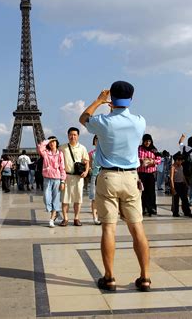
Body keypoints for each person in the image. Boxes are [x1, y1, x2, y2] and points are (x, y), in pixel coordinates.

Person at [80, 80, 151, 292]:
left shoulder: (102, 121)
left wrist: (99, 101)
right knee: (137, 227)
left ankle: (109, 277)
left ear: (111, 98)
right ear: (131, 98)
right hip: (130, 178)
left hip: (108, 177)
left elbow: (83, 118)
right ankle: (145, 277)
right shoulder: (139, 122)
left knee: (108, 228)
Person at [59, 127, 89, 226]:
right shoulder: (62, 148)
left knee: (78, 199)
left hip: (78, 178)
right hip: (66, 176)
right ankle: (65, 218)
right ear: (68, 135)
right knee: (65, 199)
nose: (73, 137)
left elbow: (86, 161)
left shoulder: (82, 148)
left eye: (75, 135)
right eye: (71, 134)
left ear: (78, 136)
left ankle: (76, 218)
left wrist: (86, 171)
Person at [37, 136, 66, 228]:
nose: (52, 143)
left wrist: (63, 181)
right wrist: (48, 140)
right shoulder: (46, 153)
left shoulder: (60, 154)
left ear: (57, 143)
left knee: (56, 199)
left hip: (57, 179)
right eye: (51, 142)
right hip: (47, 178)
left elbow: (62, 168)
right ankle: (56, 211)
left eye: (54, 141)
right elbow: (40, 147)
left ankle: (51, 219)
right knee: (46, 198)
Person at [137, 134, 161, 217]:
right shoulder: (139, 149)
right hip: (141, 173)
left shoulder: (154, 150)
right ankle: (143, 208)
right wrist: (141, 161)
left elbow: (159, 159)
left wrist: (152, 162)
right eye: (146, 141)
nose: (147, 143)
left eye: (149, 141)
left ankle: (152, 208)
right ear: (143, 141)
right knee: (142, 191)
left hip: (151, 173)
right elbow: (134, 158)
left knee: (151, 191)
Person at [170, 152, 192, 218]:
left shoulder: (181, 166)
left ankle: (187, 212)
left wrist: (186, 184)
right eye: (180, 160)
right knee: (176, 199)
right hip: (176, 184)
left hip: (182, 184)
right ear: (176, 160)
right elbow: (171, 178)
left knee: (185, 199)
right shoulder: (173, 167)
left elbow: (183, 176)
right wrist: (172, 188)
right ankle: (175, 212)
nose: (181, 162)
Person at [178, 134, 192, 206]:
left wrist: (183, 137)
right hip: (191, 170)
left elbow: (180, 142)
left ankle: (184, 200)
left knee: (184, 185)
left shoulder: (183, 147)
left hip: (183, 168)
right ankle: (191, 200)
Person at [88, 135, 101, 225]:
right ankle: (95, 217)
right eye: (96, 139)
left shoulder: (105, 152)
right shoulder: (91, 153)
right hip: (95, 176)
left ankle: (101, 215)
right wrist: (90, 171)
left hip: (104, 176)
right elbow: (88, 165)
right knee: (94, 197)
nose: (98, 141)